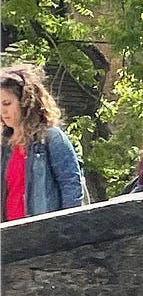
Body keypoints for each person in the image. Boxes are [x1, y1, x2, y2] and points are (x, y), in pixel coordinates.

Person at [0, 62, 85, 220]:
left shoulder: (52, 138)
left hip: (44, 235)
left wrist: (67, 232)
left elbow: (72, 190)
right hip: (8, 237)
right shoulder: (4, 145)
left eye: (7, 103)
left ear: (25, 101)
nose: (2, 111)